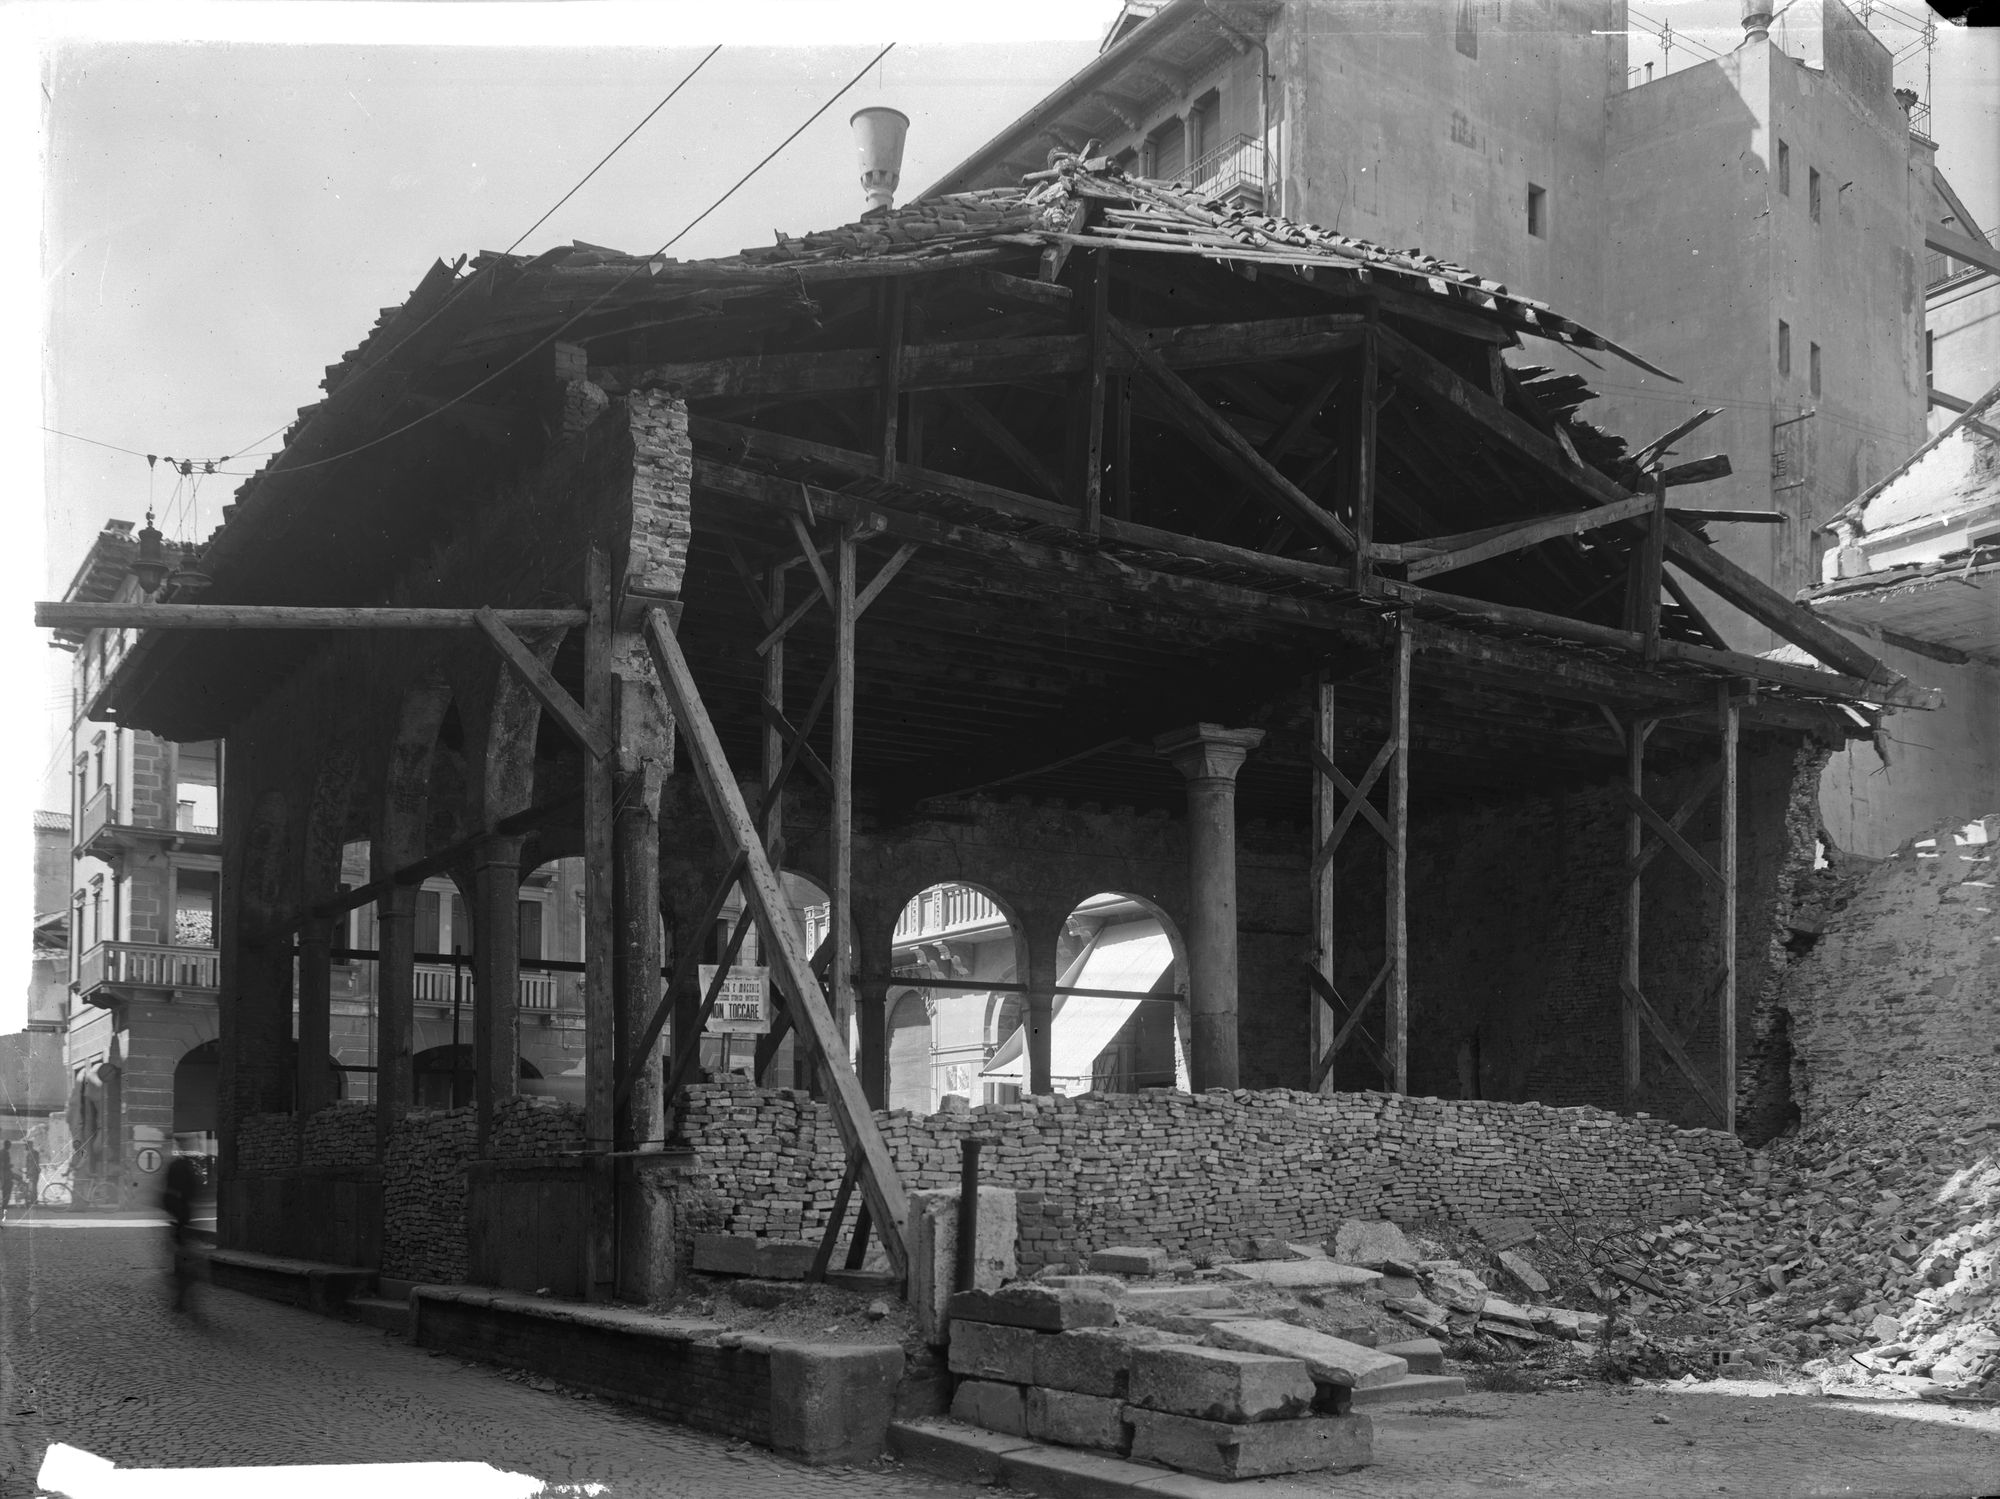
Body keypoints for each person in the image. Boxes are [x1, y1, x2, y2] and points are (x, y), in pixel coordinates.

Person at [161, 1154, 200, 1311]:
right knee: (184, 1254)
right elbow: (195, 1191)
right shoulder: (188, 1168)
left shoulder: (176, 1167)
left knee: (181, 1257)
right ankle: (182, 1296)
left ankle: (181, 1298)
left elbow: (167, 1194)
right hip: (185, 1217)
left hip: (179, 1218)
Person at [19, 1142, 37, 1212]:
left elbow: (34, 1164)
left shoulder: (33, 1153)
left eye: (26, 1146)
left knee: (31, 1188)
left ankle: (31, 1202)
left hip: (33, 1173)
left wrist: (29, 1173)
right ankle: (32, 1201)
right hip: (30, 1173)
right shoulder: (30, 1154)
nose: (25, 1147)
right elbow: (28, 1164)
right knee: (31, 1188)